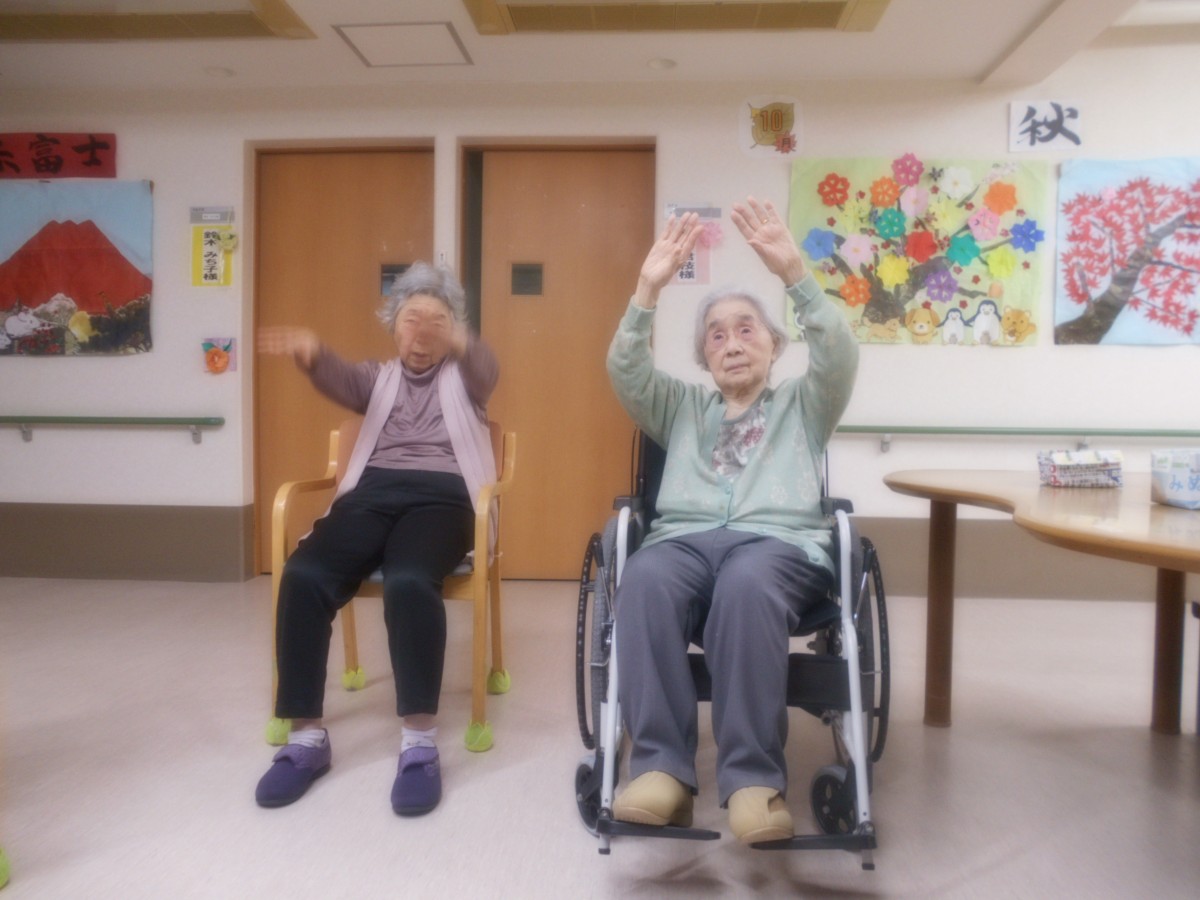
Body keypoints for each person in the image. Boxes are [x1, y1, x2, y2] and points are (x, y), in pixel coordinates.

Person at [606, 197, 858, 843]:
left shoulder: (804, 404)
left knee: (746, 586)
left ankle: (752, 781)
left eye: (747, 329)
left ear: (775, 345)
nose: (733, 343)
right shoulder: (681, 407)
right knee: (643, 579)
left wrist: (795, 275)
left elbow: (838, 354)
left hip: (777, 545)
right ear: (704, 358)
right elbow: (625, 371)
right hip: (684, 543)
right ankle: (660, 771)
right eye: (716, 336)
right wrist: (647, 290)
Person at [255, 261, 499, 815]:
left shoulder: (466, 378)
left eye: (436, 322)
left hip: (445, 498)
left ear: (454, 330)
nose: (422, 333)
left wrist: (461, 341)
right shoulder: (377, 378)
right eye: (411, 319)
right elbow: (341, 379)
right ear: (393, 326)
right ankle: (306, 739)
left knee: (410, 580)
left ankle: (419, 743)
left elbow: (486, 367)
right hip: (371, 493)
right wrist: (312, 354)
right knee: (304, 574)